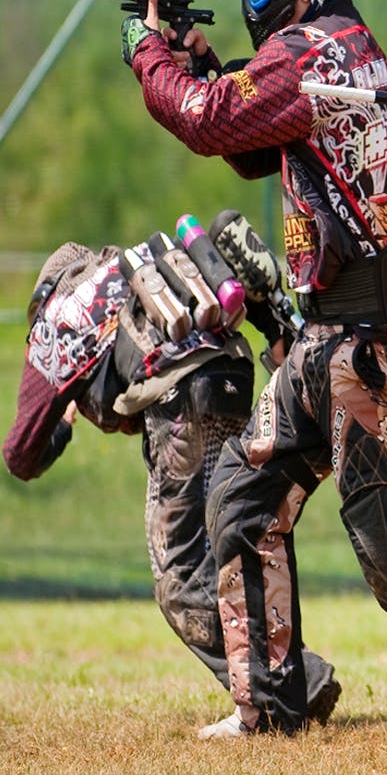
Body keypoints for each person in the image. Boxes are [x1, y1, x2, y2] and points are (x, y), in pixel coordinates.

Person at [122, 0, 387, 737]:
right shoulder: (331, 50)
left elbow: (210, 120)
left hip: (366, 350)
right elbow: (253, 137)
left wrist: (149, 55)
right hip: (320, 342)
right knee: (242, 504)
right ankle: (271, 707)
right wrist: (207, 62)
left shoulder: (314, 50)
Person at [3, 233, 342, 726]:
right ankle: (288, 678)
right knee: (219, 548)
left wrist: (62, 426)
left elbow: (20, 455)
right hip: (232, 374)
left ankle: (288, 686)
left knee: (181, 576)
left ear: (44, 296)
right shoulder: (129, 269)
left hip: (179, 401)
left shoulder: (57, 320)